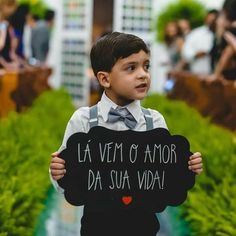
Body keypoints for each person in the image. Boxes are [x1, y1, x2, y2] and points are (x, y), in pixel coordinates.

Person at [49, 32, 203, 236]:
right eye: (131, 68)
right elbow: (67, 176)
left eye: (146, 66)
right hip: (97, 226)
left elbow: (165, 171)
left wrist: (187, 166)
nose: (143, 74)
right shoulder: (84, 120)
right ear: (104, 79)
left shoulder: (154, 121)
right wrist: (58, 172)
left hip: (144, 226)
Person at [181, 10, 218, 75]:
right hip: (198, 73)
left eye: (213, 20)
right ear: (205, 19)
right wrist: (195, 55)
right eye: (209, 20)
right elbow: (186, 52)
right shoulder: (196, 34)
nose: (211, 22)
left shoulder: (221, 34)